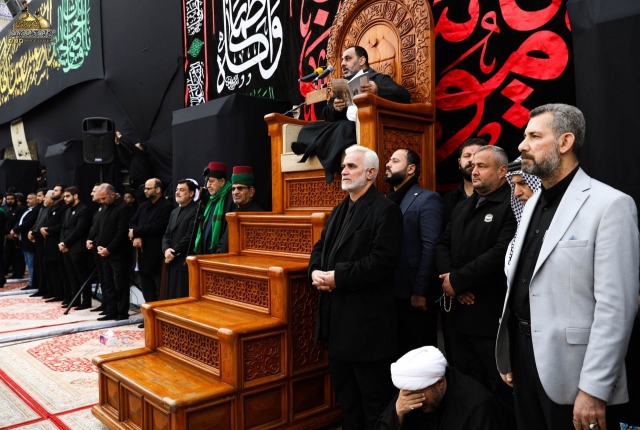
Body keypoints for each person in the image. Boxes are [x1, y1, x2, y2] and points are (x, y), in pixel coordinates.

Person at [495, 104, 639, 430]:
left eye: (534, 136)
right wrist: (512, 352)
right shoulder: (532, 203)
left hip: (575, 375)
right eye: (524, 136)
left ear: (565, 142)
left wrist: (594, 388)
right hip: (524, 358)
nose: (522, 145)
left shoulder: (610, 205)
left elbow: (617, 308)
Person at [309, 145, 403, 430]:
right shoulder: (339, 208)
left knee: (375, 404)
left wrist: (337, 277)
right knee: (348, 404)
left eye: (351, 166)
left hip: (367, 331)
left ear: (370, 173)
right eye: (343, 166)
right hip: (336, 327)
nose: (344, 171)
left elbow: (382, 262)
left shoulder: (386, 210)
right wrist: (315, 271)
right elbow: (320, 247)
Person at [435, 145, 517, 427]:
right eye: (472, 165)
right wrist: (452, 282)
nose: (474, 170)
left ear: (502, 171)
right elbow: (442, 244)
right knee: (467, 387)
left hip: (490, 318)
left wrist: (458, 281)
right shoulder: (462, 206)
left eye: (482, 166)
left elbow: (502, 252)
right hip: (459, 316)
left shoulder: (513, 204)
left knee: (499, 391)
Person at [294, 46, 411, 182]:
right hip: (342, 126)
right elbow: (327, 114)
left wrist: (378, 90)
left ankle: (315, 149)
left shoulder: (377, 79)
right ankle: (312, 145)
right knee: (309, 128)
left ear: (362, 60)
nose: (343, 63)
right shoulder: (344, 84)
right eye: (342, 60)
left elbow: (404, 96)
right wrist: (335, 107)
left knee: (344, 128)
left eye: (348, 59)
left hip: (363, 126)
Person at [384, 149, 443, 355]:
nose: (388, 164)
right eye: (389, 160)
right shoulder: (385, 200)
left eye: (394, 160)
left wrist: (420, 292)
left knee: (416, 354)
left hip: (412, 294)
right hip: (387, 293)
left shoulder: (427, 199)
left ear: (410, 169)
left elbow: (430, 247)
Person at [374, 346, 505, 430]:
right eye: (409, 392)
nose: (415, 399)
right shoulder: (408, 397)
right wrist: (397, 414)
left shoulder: (477, 406)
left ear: (440, 383)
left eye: (419, 392)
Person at [129, 178, 173, 327]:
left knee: (159, 289)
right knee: (147, 289)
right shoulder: (143, 206)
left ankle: (160, 320)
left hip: (157, 255)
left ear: (158, 189)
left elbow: (159, 226)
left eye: (148, 188)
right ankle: (149, 319)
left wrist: (137, 232)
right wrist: (136, 236)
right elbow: (132, 222)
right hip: (142, 254)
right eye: (145, 188)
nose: (145, 191)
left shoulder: (167, 206)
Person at [92, 183, 134, 321]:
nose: (102, 201)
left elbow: (121, 233)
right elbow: (101, 229)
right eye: (100, 199)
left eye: (104, 198)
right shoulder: (105, 208)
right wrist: (99, 245)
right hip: (105, 253)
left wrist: (109, 249)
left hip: (119, 254)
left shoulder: (123, 208)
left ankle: (122, 312)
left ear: (112, 194)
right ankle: (111, 310)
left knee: (120, 284)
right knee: (109, 283)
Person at [162, 179, 199, 299]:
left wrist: (173, 252)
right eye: (177, 190)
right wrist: (166, 250)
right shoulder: (174, 212)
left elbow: (190, 236)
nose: (177, 192)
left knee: (181, 298)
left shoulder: (197, 210)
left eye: (182, 190)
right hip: (171, 261)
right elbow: (166, 235)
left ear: (191, 193)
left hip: (184, 262)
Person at [216, 166, 265, 253]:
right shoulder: (233, 212)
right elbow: (223, 242)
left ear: (251, 192)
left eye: (240, 188)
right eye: (233, 189)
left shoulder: (259, 215)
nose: (235, 192)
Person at [59, 186, 92, 309]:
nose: (65, 199)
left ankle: (86, 301)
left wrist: (65, 243)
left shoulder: (84, 210)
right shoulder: (67, 210)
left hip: (78, 248)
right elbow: (63, 228)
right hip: (66, 248)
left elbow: (79, 230)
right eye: (64, 196)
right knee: (71, 276)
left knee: (82, 276)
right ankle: (75, 299)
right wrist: (62, 243)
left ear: (76, 196)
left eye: (67, 196)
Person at [442, 138, 486, 224]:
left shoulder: (497, 196)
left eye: (477, 155)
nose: (472, 160)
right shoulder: (448, 199)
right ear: (459, 163)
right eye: (467, 156)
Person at [194, 162, 234, 255]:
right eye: (207, 181)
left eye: (211, 181)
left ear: (222, 182)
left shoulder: (231, 199)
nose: (208, 185)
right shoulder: (210, 199)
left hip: (220, 255)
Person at [42, 184, 70, 303]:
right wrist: (42, 228)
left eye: (56, 190)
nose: (53, 192)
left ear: (63, 194)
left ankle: (65, 295)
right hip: (49, 242)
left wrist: (48, 230)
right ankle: (57, 293)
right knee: (52, 271)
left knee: (62, 271)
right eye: (53, 190)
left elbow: (62, 225)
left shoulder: (64, 207)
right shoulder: (52, 206)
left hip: (58, 242)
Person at [11, 192, 38, 289]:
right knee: (28, 262)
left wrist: (16, 230)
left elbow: (29, 223)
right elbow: (20, 221)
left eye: (30, 198)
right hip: (24, 240)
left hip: (30, 240)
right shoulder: (28, 210)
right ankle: (31, 281)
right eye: (27, 198)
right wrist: (15, 229)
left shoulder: (36, 210)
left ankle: (33, 283)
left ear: (36, 200)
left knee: (31, 262)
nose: (28, 200)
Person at [28, 189, 51, 297]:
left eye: (41, 196)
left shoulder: (49, 209)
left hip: (44, 241)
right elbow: (37, 223)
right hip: (38, 241)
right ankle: (41, 289)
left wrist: (34, 233)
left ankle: (48, 290)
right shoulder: (42, 209)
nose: (39, 198)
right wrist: (31, 231)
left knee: (45, 268)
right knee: (39, 268)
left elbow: (44, 225)